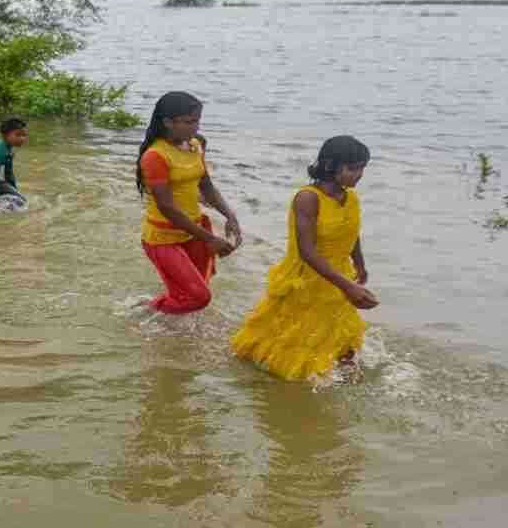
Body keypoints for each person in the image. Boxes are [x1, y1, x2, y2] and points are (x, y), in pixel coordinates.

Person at [230, 136, 379, 381]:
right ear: (331, 165)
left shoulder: (350, 197)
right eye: (353, 168)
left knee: (340, 330)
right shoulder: (308, 198)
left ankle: (343, 372)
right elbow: (307, 252)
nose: (360, 174)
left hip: (340, 273)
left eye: (363, 168)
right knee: (296, 334)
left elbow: (352, 232)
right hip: (307, 277)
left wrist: (359, 265)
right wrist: (347, 285)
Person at [136, 91, 242, 314]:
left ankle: (171, 326)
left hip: (193, 230)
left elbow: (207, 187)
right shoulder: (155, 156)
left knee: (193, 291)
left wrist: (230, 216)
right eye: (189, 122)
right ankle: (149, 309)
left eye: (198, 121)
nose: (195, 127)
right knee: (199, 297)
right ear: (167, 122)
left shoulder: (194, 145)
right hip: (163, 238)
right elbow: (167, 208)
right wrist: (210, 239)